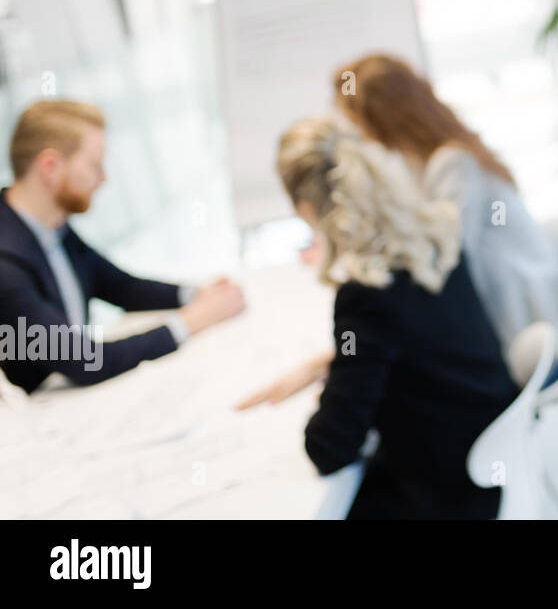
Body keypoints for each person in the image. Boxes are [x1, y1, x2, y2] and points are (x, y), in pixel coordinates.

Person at [242, 115, 519, 519]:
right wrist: (337, 362)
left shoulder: (365, 295)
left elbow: (329, 447)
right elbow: (416, 342)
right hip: (489, 452)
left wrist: (337, 383)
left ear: (306, 208)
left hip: (444, 494)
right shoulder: (433, 233)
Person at [333, 53, 558, 385]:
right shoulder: (435, 161)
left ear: (379, 116)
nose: (356, 133)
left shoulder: (452, 163)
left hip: (526, 335)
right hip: (520, 323)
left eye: (355, 120)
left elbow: (447, 257)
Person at [0, 100, 245, 393]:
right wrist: (192, 320)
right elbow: (84, 360)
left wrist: (195, 294)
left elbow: (120, 286)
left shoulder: (50, 228)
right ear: (50, 167)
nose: (103, 178)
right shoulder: (6, 263)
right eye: (94, 165)